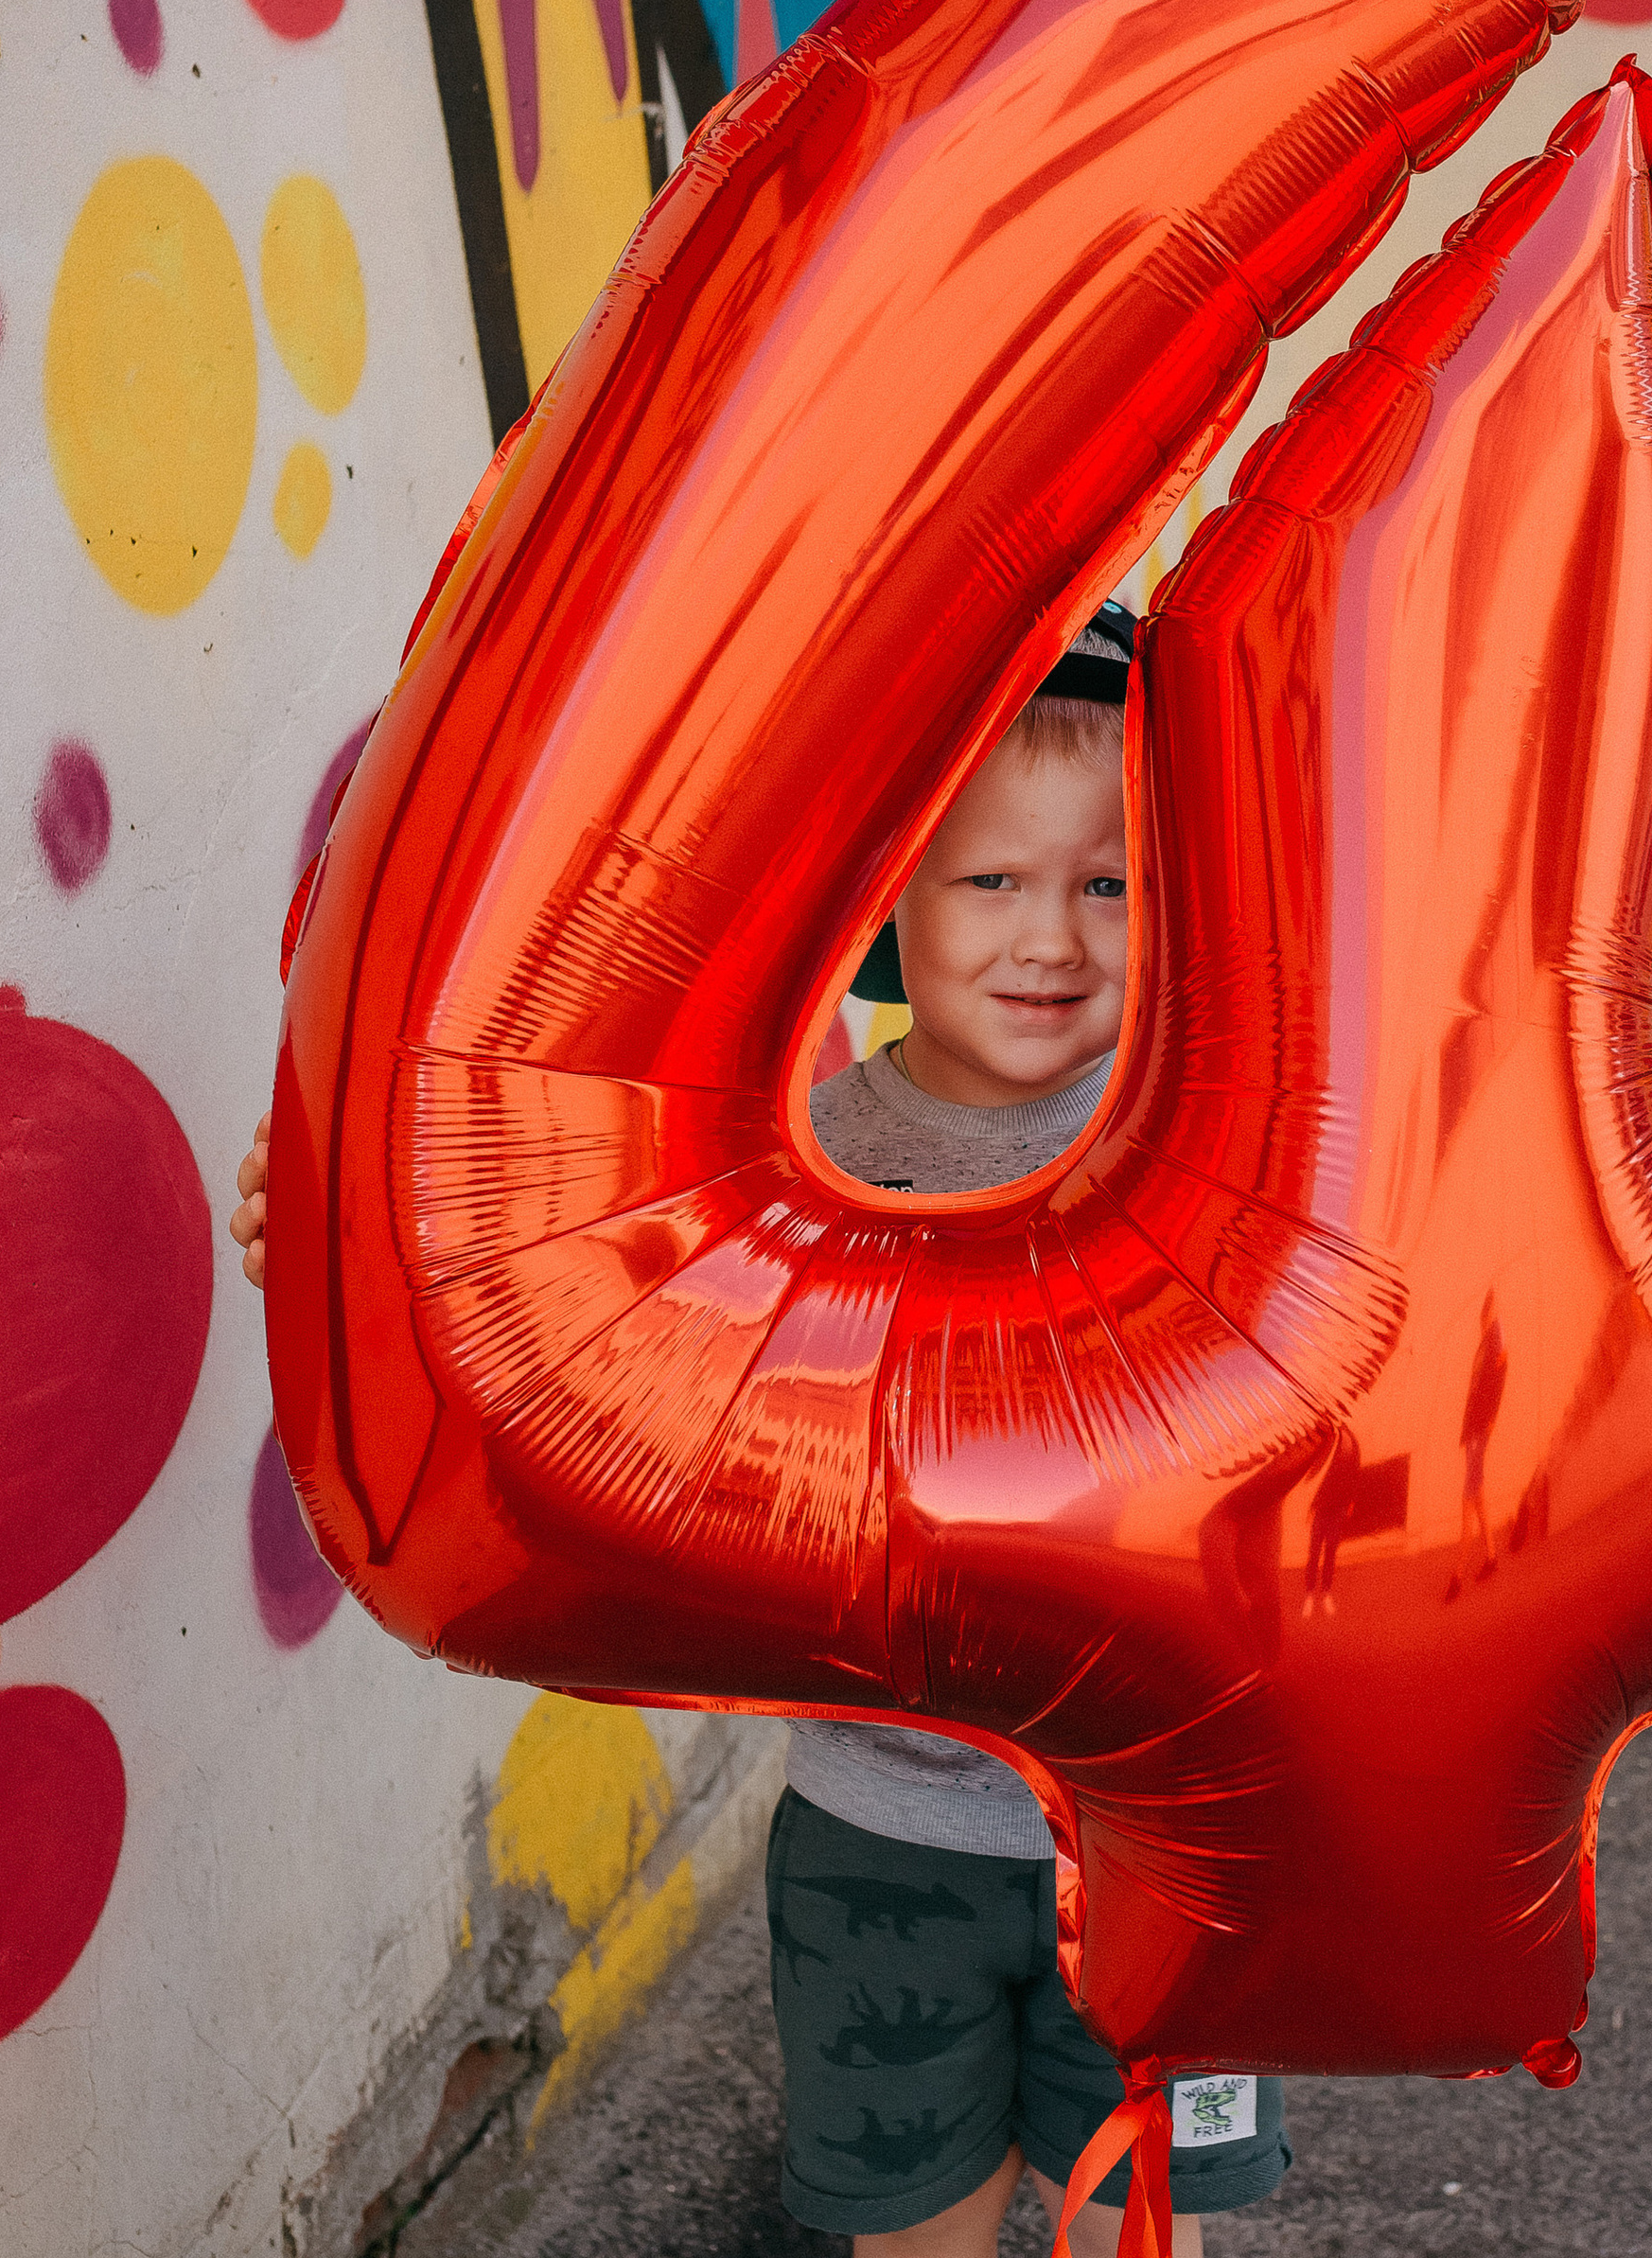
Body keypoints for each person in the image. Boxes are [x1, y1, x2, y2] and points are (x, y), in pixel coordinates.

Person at [228, 610, 1292, 2257]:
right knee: (908, 2224)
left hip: (1154, 1839)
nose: (1053, 939)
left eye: (1110, 887)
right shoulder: (802, 1168)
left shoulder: (1220, 1137)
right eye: (991, 882)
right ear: (889, 902)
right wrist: (337, 1230)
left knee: (1143, 2229)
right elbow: (576, 1307)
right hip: (883, 1832)